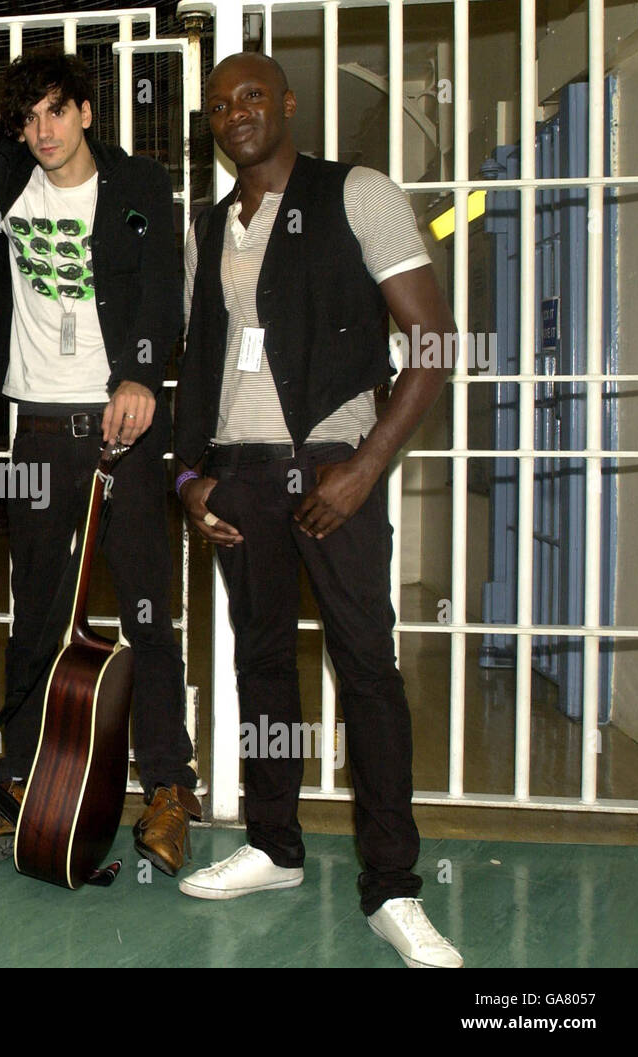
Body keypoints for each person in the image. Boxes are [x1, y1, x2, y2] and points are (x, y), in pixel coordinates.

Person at [173, 52, 462, 968]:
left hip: (336, 465)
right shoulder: (213, 224)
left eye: (251, 95)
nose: (235, 113)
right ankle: (274, 843)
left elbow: (432, 343)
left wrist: (366, 467)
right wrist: (192, 480)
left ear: (287, 105)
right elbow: (203, 366)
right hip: (242, 476)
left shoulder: (358, 194)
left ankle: (393, 886)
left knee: (365, 667)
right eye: (218, 105)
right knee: (259, 663)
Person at [0, 49, 201, 874]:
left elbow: (161, 290)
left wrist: (140, 373)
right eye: (28, 119)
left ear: (87, 113)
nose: (44, 131)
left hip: (123, 426)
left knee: (146, 615)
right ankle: (26, 771)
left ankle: (169, 788)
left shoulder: (138, 187)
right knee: (36, 617)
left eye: (57, 112)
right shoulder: (2, 184)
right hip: (35, 431)